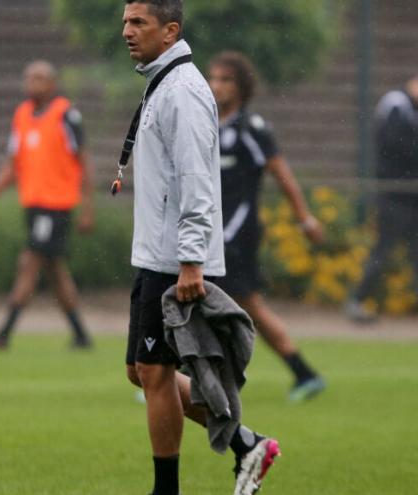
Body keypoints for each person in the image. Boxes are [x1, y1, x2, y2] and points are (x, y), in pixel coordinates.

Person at [121, 2, 279, 494]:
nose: (127, 31)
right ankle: (247, 443)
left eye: (138, 22)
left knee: (155, 372)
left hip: (173, 259)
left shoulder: (183, 91)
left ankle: (167, 489)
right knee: (140, 372)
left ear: (170, 31)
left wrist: (191, 260)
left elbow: (195, 182)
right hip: (156, 254)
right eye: (125, 21)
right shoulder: (164, 82)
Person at [207, 51, 326, 402]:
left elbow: (283, 176)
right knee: (245, 306)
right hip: (213, 232)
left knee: (213, 299)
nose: (216, 86)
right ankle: (303, 372)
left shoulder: (252, 130)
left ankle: (175, 375)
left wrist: (304, 219)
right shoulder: (208, 125)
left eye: (225, 80)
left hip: (236, 235)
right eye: (213, 78)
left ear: (242, 87)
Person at [0, 60, 95, 350]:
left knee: (28, 263)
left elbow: (84, 161)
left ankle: (3, 335)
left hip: (56, 206)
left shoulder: (66, 115)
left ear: (52, 84)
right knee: (55, 272)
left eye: (39, 78)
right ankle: (81, 335)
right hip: (34, 206)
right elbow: (12, 164)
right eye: (28, 78)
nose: (32, 83)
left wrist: (88, 206)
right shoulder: (22, 115)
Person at [346, 75, 418, 323]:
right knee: (383, 250)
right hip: (394, 194)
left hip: (411, 194)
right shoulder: (396, 104)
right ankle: (357, 300)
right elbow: (395, 145)